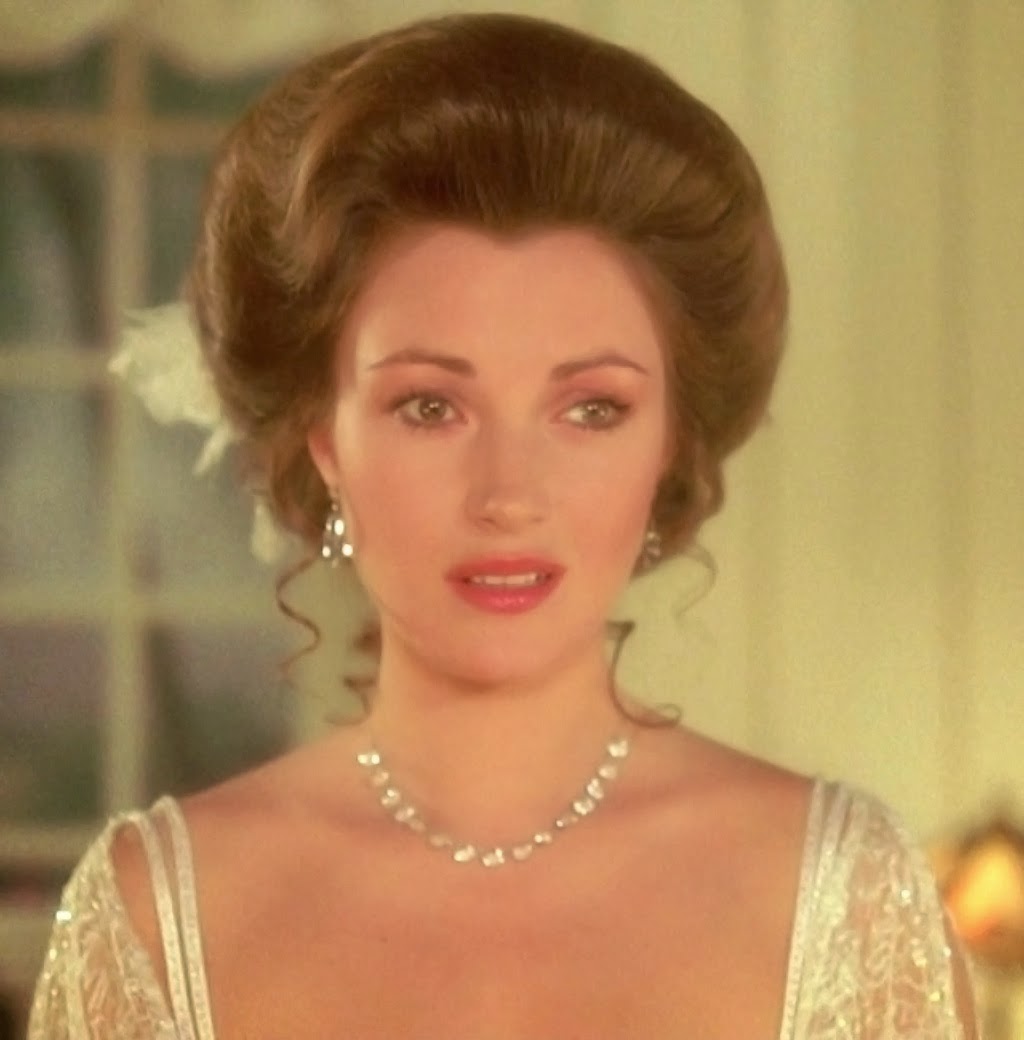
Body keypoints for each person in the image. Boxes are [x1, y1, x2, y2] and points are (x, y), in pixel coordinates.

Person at [29, 12, 978, 1039]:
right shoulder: (154, 916)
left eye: (591, 409)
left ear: (669, 440)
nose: (508, 494)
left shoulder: (848, 905)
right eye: (430, 406)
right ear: (323, 437)